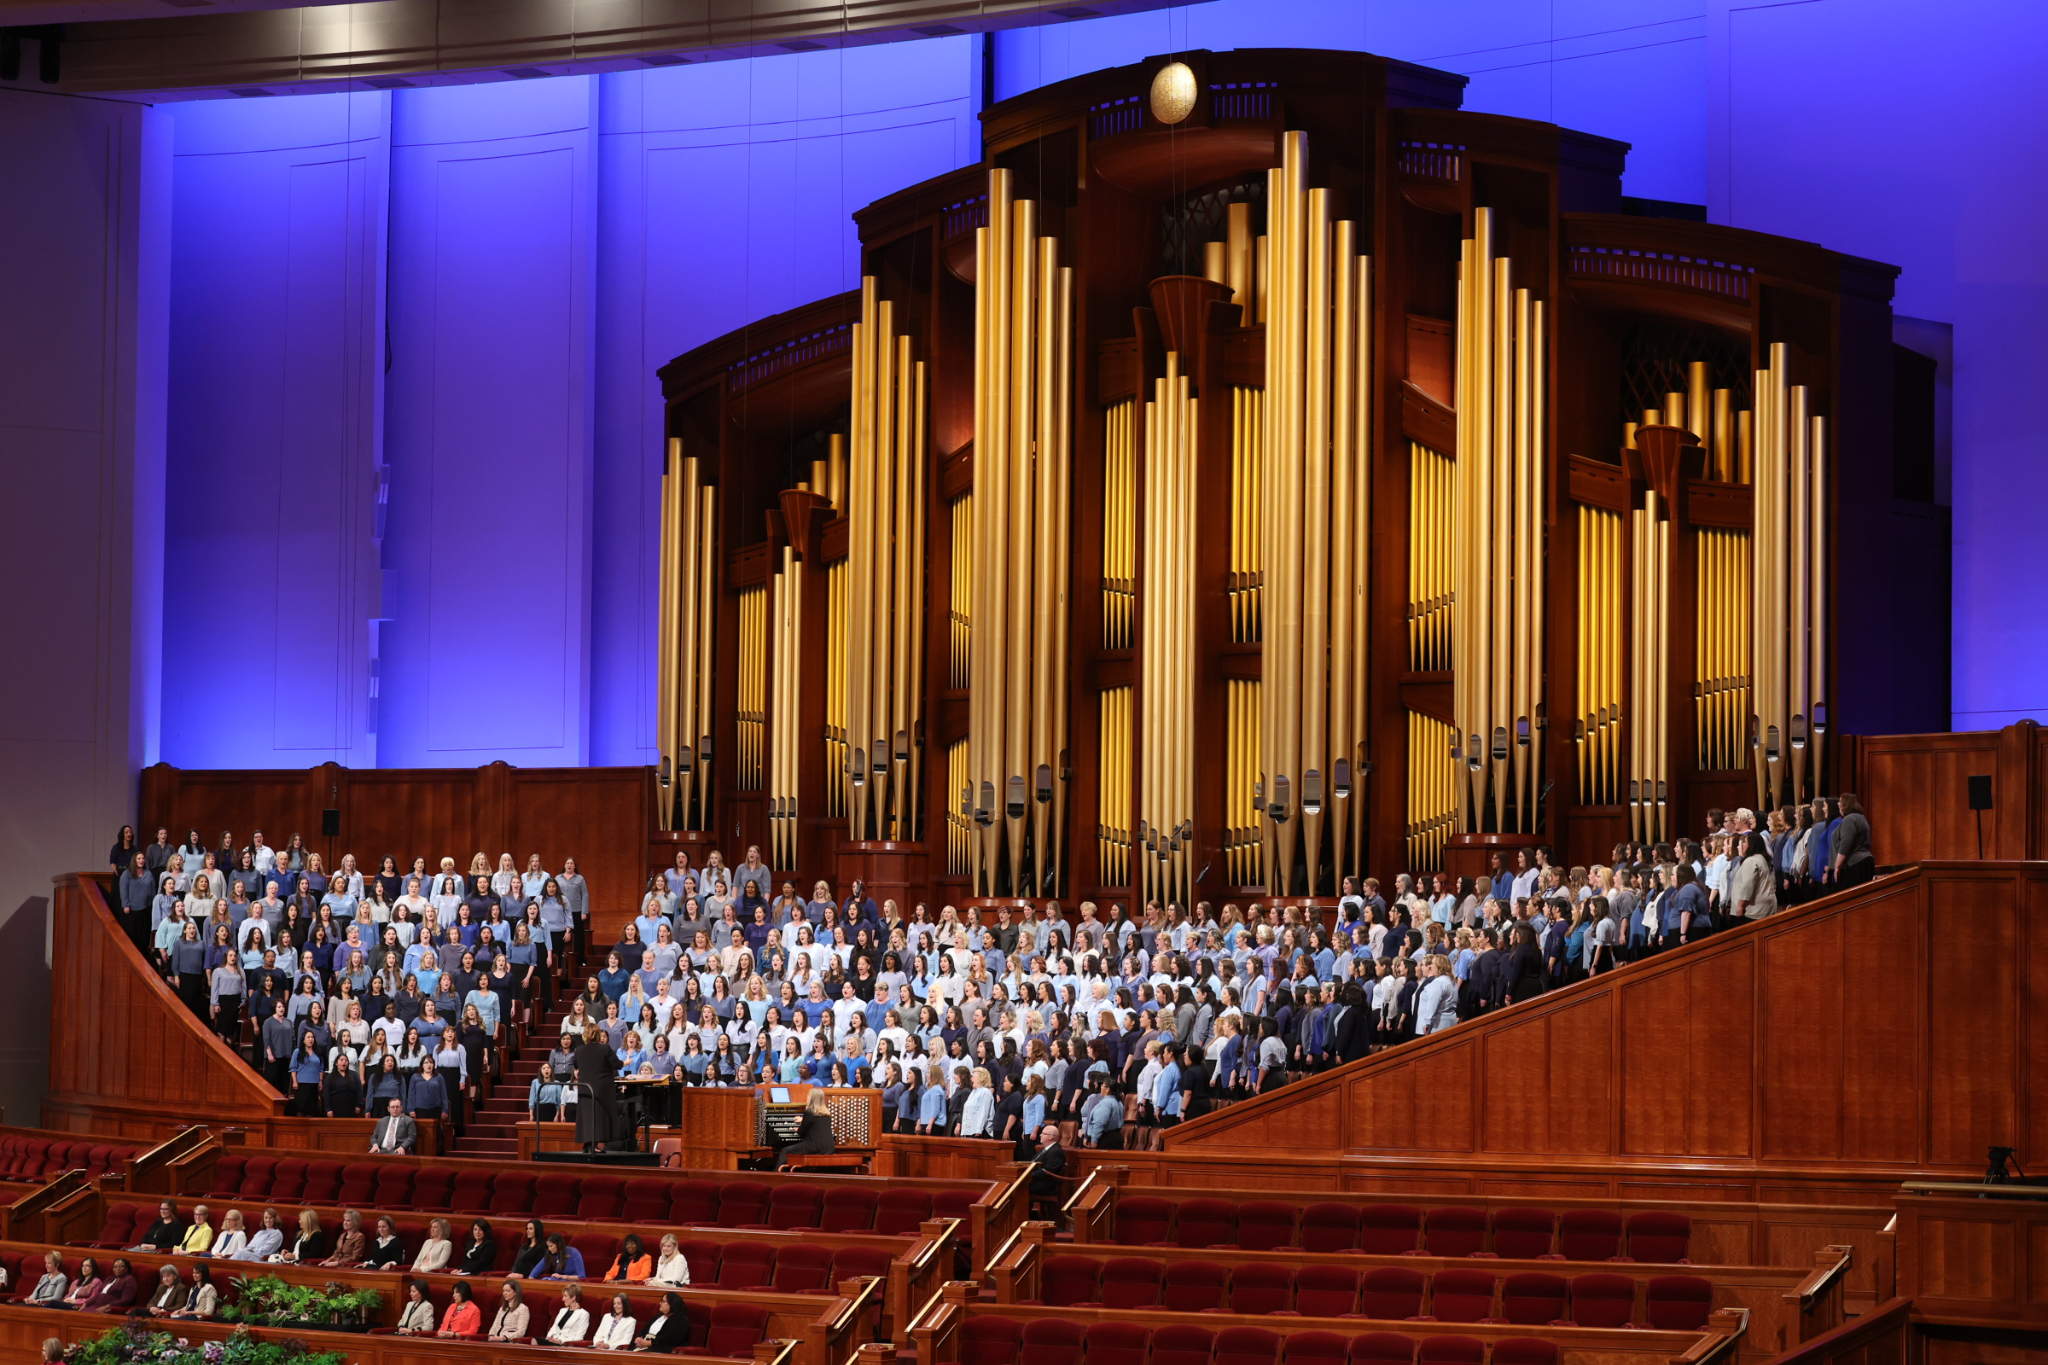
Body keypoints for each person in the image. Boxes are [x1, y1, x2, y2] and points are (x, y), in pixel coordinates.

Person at [574, 1021, 626, 1153]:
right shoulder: (604, 1049)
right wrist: (627, 1061)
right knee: (601, 1117)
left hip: (585, 1089)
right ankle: (595, 1145)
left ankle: (588, 1144)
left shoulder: (579, 1050)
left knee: (588, 1116)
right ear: (597, 1035)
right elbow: (617, 1064)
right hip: (602, 1089)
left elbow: (576, 1065)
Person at [776, 1090, 837, 1167]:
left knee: (785, 1151)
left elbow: (801, 1133)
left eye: (809, 1096)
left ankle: (776, 1174)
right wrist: (803, 1120)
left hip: (814, 1147)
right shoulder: (826, 1114)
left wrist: (797, 1129)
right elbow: (815, 1122)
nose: (807, 1097)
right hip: (828, 1147)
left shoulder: (809, 1112)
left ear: (812, 1099)